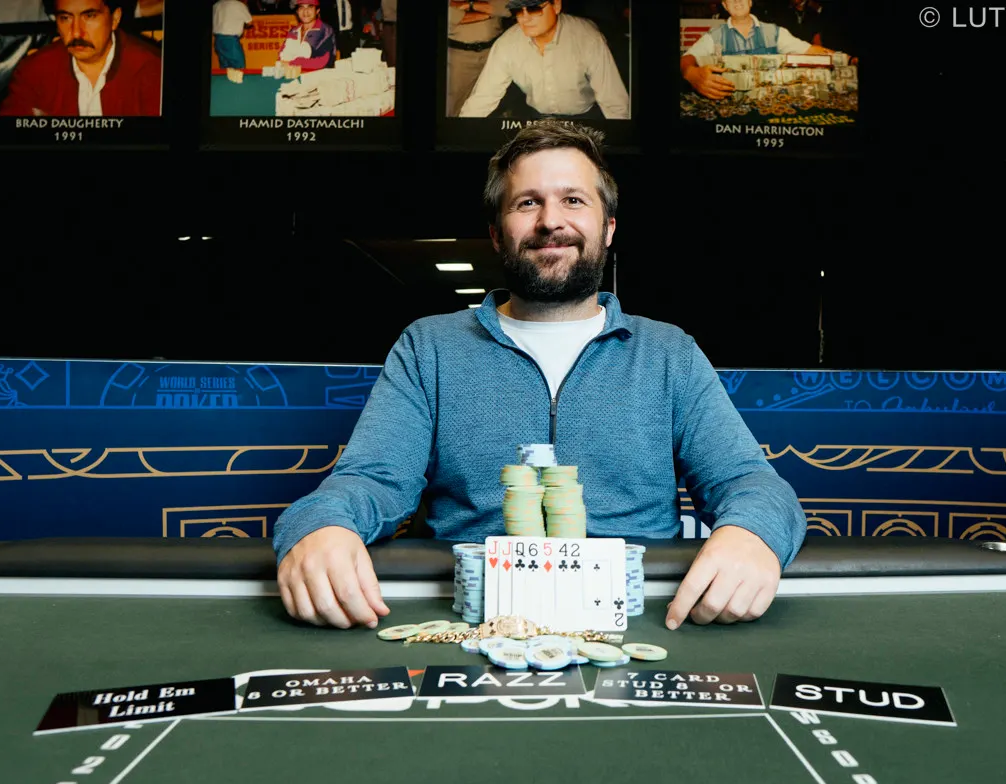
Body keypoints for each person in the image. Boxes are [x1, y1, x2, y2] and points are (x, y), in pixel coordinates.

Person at [273, 120, 807, 633]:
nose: (551, 221)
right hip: (472, 622)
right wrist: (321, 524)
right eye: (527, 203)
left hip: (643, 618)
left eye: (573, 200)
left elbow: (750, 483)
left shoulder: (670, 353)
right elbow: (370, 481)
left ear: (608, 227)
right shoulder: (428, 347)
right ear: (496, 234)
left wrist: (752, 533)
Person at [458, 0, 630, 120]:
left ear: (556, 5)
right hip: (537, 118)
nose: (524, 18)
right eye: (518, 10)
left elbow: (615, 104)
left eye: (534, 8)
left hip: (585, 116)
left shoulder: (588, 39)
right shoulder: (507, 44)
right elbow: (482, 99)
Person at [0, 0, 162, 116]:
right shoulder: (32, 71)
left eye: (90, 16)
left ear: (115, 19)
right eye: (65, 18)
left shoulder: (153, 69)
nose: (76, 32)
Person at [680, 0, 833, 101]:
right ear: (725, 5)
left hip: (770, 105)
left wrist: (843, 57)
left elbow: (809, 50)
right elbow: (686, 59)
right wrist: (691, 73)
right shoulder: (714, 36)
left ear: (750, 2)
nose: (737, 1)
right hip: (731, 106)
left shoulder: (775, 32)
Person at [447, 1, 510, 117]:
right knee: (454, 105)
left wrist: (470, 5)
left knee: (493, 100)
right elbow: (450, 15)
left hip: (492, 52)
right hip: (458, 56)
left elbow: (508, 8)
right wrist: (490, 12)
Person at [278, 0, 335, 70]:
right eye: (301, 7)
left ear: (317, 11)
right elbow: (281, 55)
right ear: (297, 11)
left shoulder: (325, 30)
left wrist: (293, 63)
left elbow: (324, 62)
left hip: (318, 74)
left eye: (310, 7)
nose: (305, 11)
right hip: (291, 73)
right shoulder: (293, 31)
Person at [212, 0, 253, 71]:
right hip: (230, 40)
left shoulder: (216, 4)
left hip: (217, 40)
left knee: (225, 68)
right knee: (239, 67)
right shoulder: (238, 5)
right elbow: (249, 22)